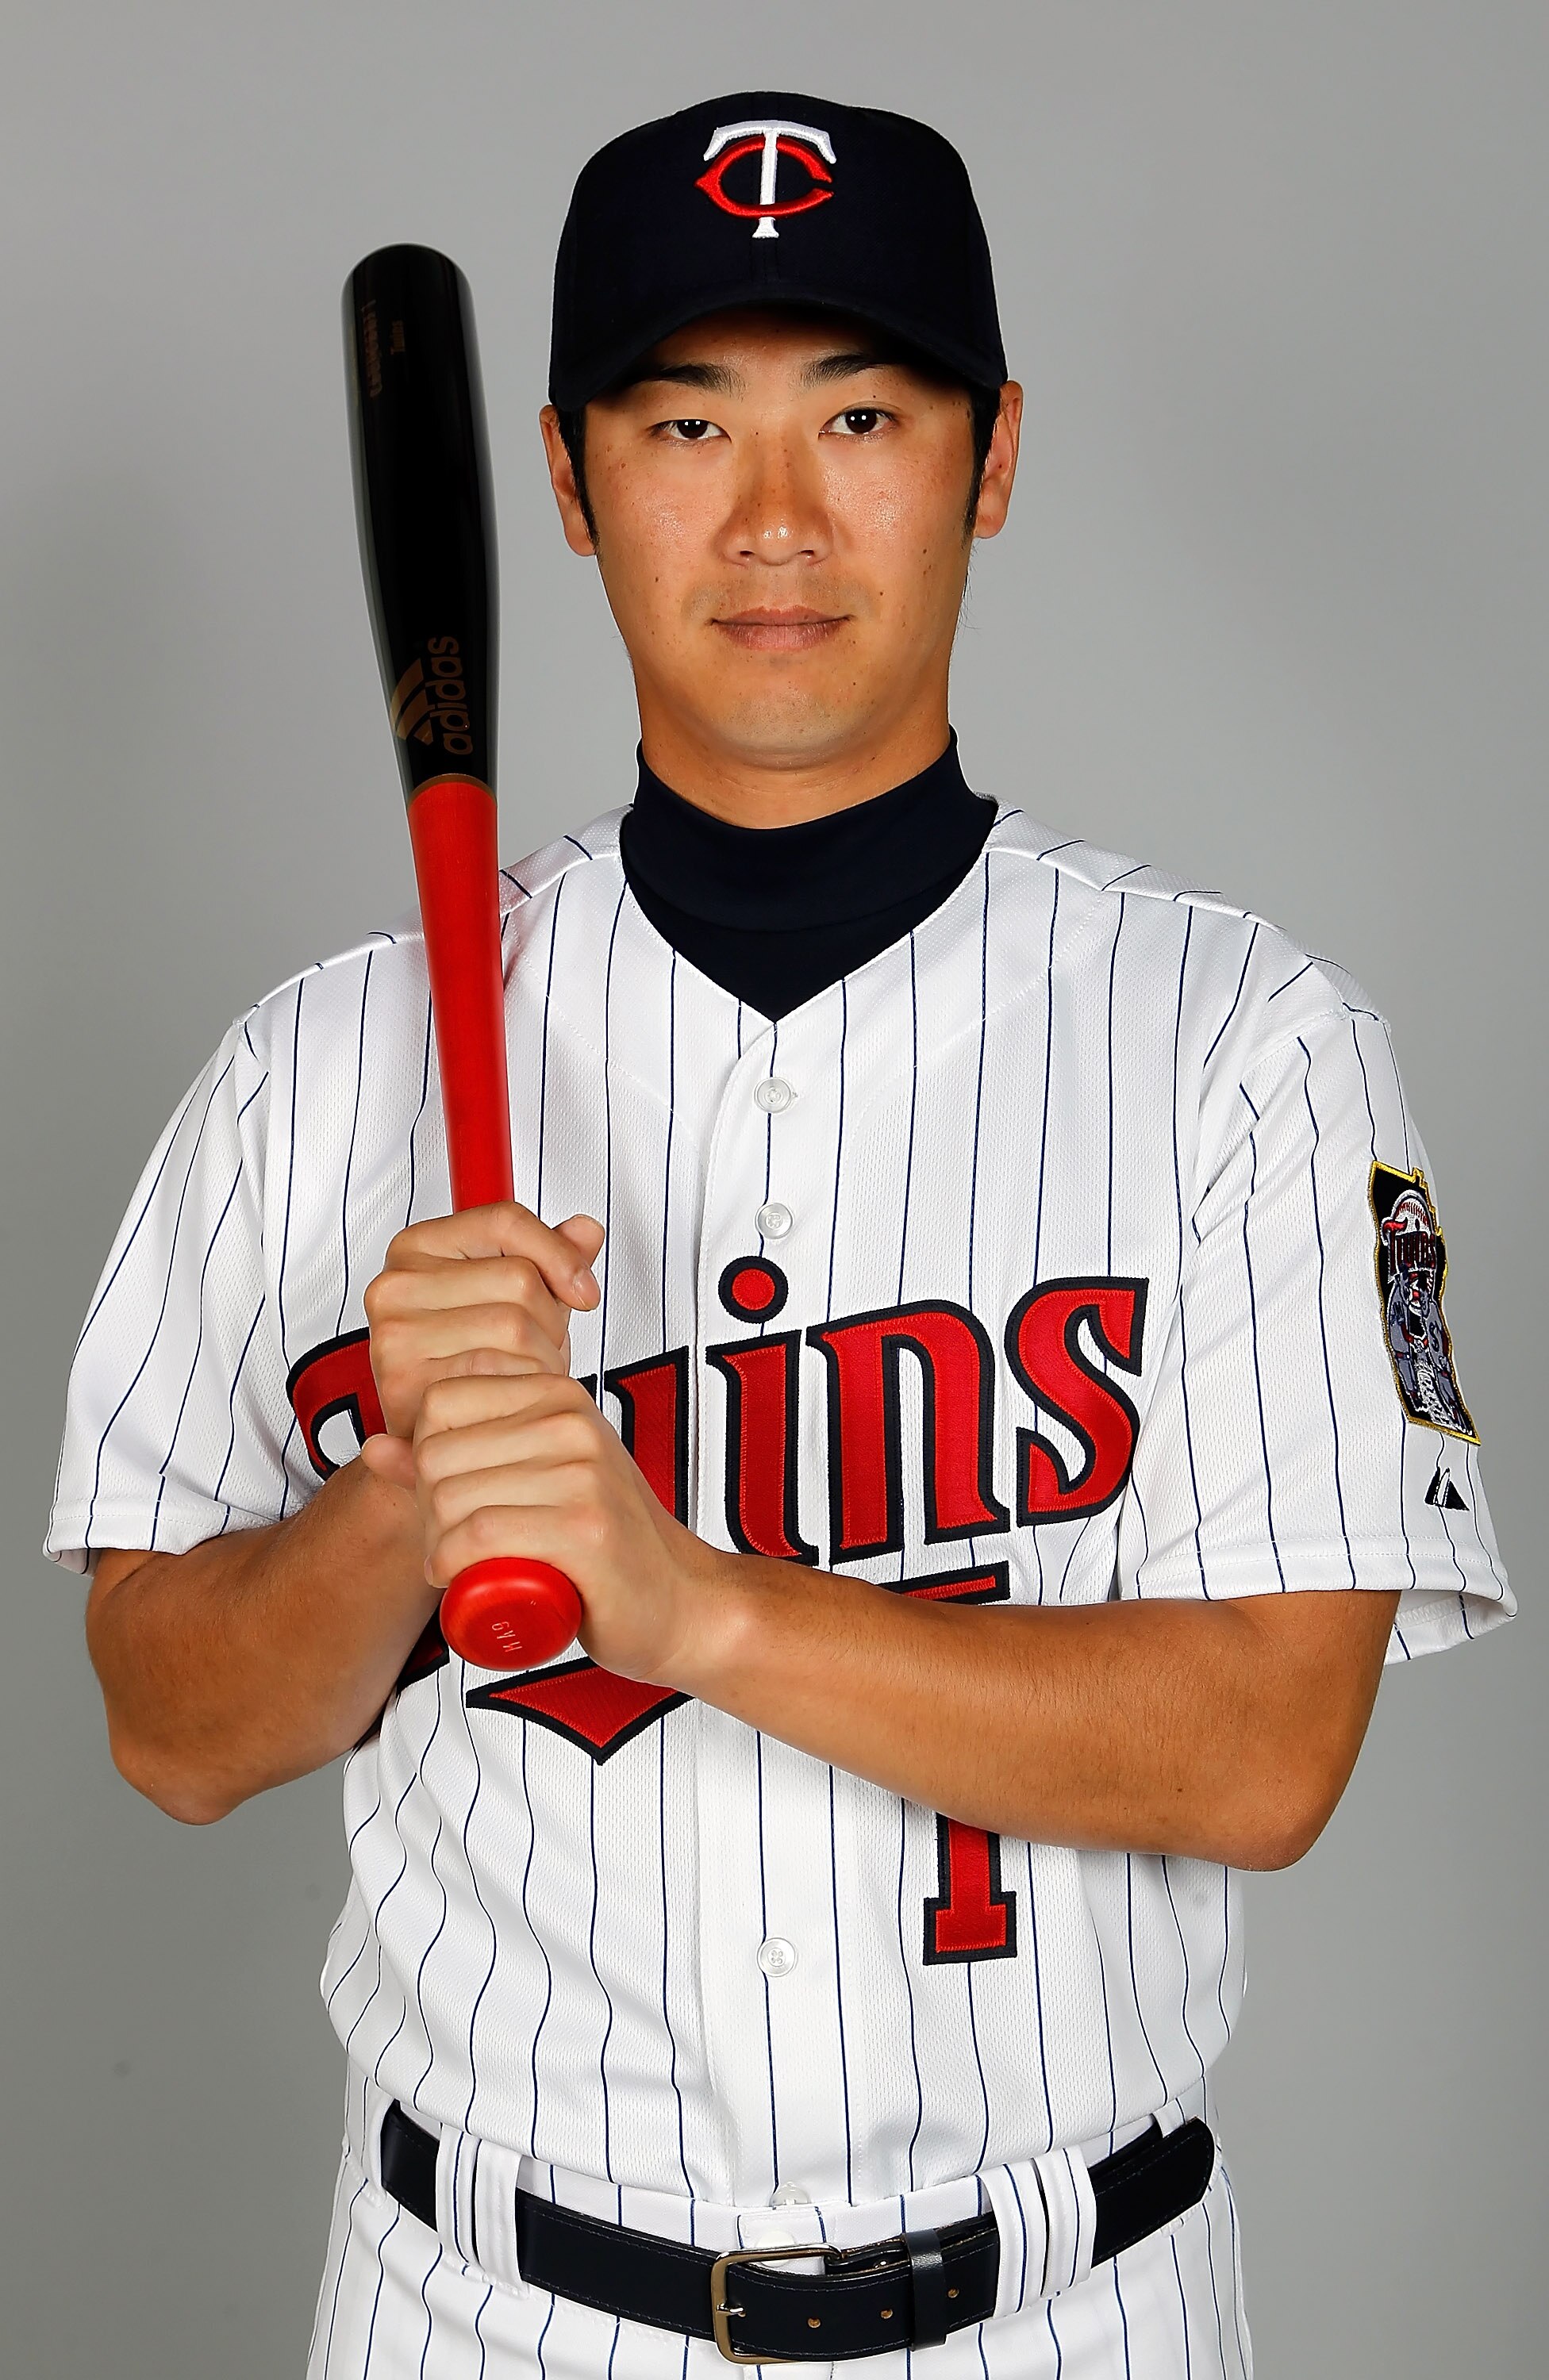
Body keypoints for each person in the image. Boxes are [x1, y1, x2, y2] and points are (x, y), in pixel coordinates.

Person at [50, 90, 1511, 2379]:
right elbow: (172, 1727)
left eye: (860, 414)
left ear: (992, 455)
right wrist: (404, 1502)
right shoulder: (314, 1074)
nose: (774, 518)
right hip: (484, 2312)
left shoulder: (1249, 1046)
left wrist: (688, 1600)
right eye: (682, 421)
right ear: (565, 481)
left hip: (1066, 2313)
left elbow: (1260, 1752)